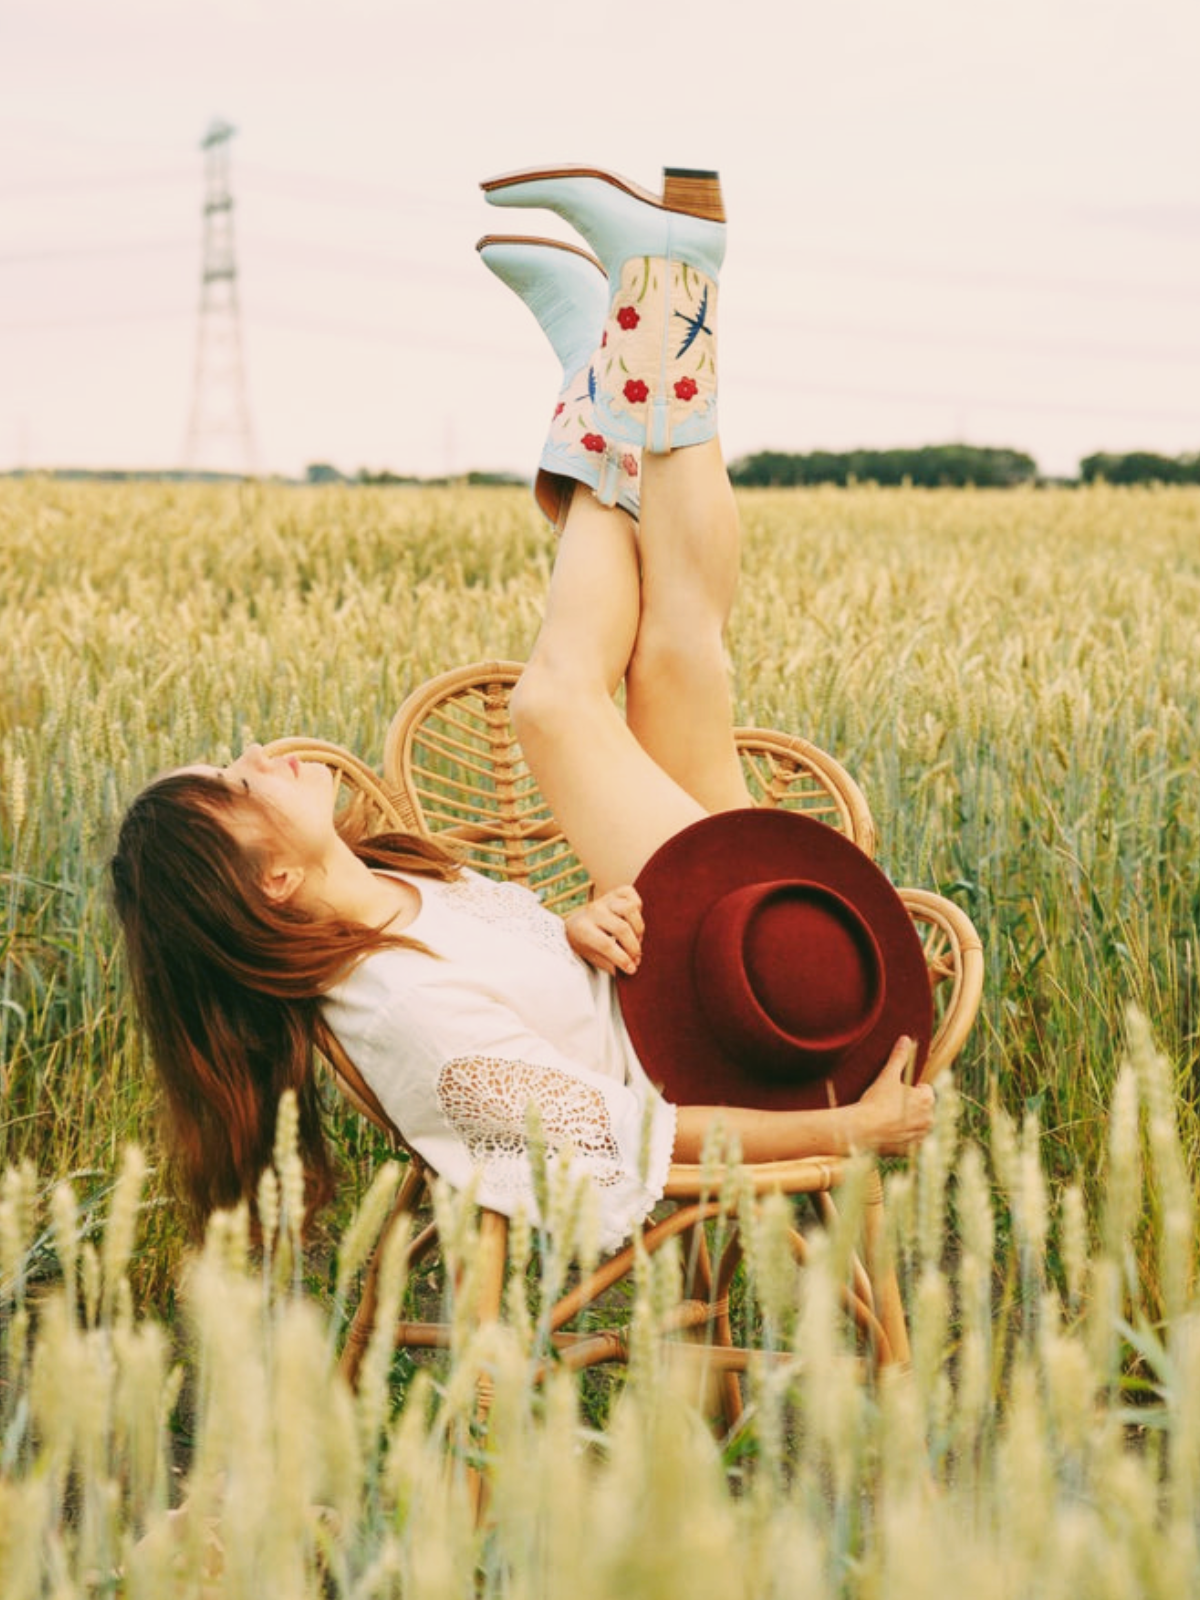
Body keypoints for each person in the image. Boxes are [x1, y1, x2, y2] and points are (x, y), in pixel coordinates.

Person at [111, 164, 935, 1246]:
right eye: (231, 782)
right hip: (775, 1037)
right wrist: (857, 1131)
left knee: (674, 661)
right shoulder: (403, 1016)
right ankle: (625, 349)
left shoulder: (402, 901)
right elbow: (642, 1135)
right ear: (269, 877)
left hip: (736, 969)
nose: (258, 753)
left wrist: (576, 936)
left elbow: (548, 1006)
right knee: (555, 705)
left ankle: (639, 336)